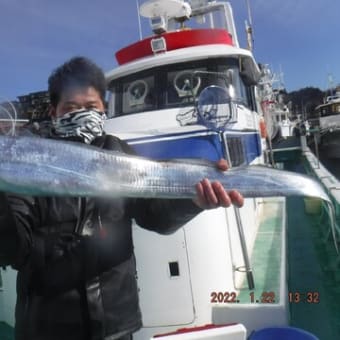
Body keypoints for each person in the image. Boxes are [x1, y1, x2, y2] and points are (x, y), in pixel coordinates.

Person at [0, 57, 244, 340]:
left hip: (116, 327)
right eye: (71, 108)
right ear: (54, 112)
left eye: (91, 107)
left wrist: (192, 202)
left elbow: (155, 216)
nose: (82, 114)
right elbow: (12, 249)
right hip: (46, 330)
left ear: (104, 109)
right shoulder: (32, 160)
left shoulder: (122, 155)